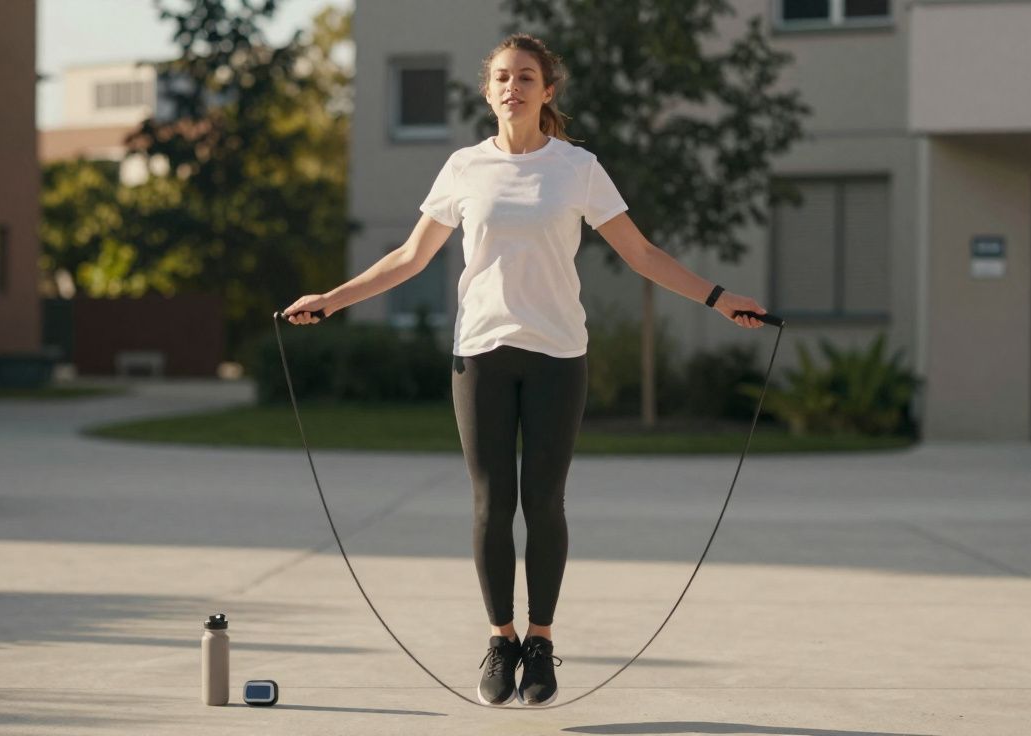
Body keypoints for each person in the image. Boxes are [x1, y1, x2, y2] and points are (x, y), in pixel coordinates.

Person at [282, 32, 768, 708]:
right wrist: (332, 300)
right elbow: (410, 258)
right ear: (488, 92)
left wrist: (718, 298)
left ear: (548, 91)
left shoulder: (577, 168)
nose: (514, 87)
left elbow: (642, 254)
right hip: (479, 353)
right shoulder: (464, 168)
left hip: (557, 355)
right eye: (503, 77)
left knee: (543, 502)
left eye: (527, 77)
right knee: (491, 503)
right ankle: (500, 639)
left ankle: (539, 644)